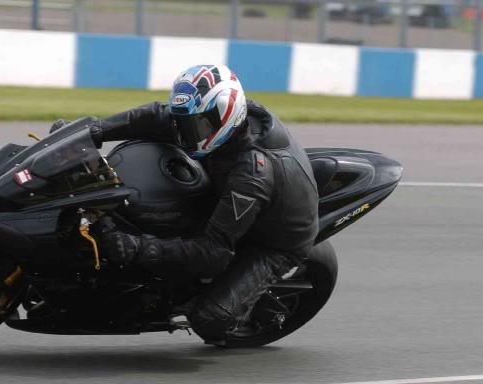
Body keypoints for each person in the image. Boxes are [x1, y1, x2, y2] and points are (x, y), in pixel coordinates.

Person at [52, 64, 319, 343]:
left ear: (224, 117)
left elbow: (213, 253)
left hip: (272, 241)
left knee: (210, 320)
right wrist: (95, 130)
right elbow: (158, 115)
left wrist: (139, 247)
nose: (185, 132)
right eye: (184, 122)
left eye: (196, 125)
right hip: (232, 194)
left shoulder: (251, 174)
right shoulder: (217, 119)